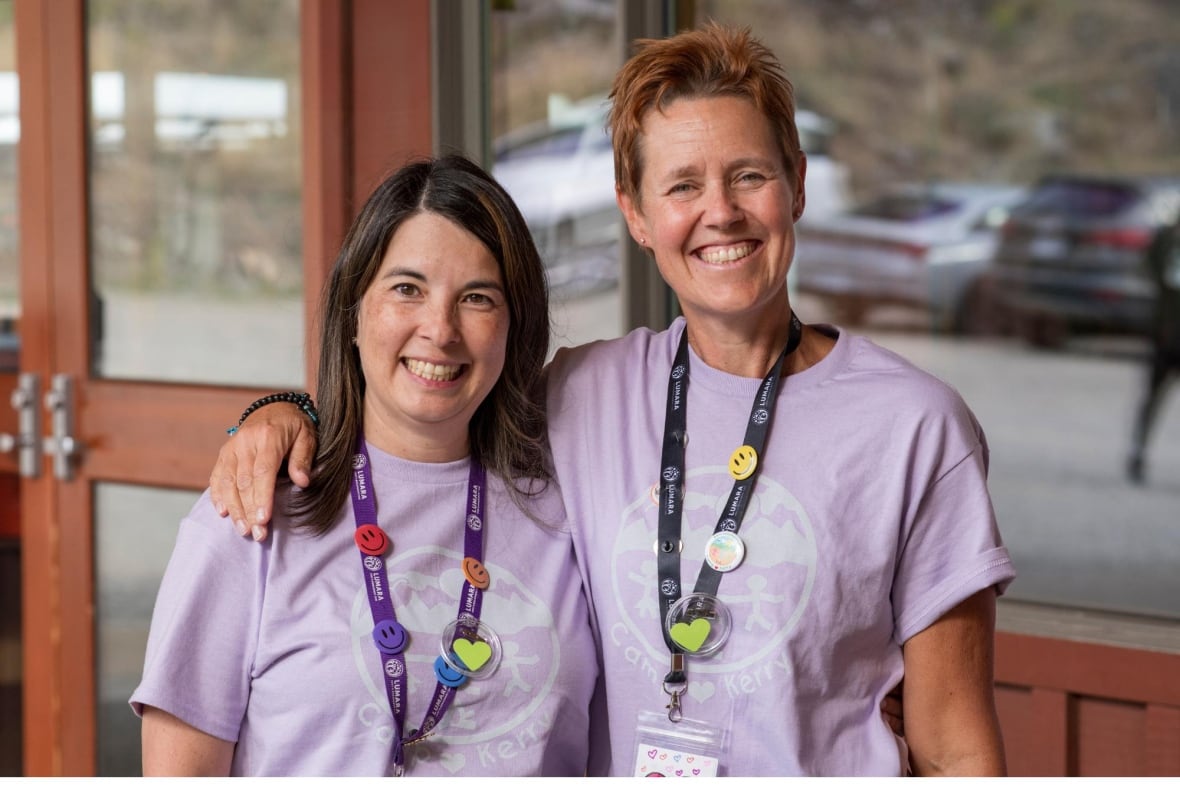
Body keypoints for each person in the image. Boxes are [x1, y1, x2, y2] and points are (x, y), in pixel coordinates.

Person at [208, 24, 1014, 776]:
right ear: (635, 213)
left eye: (749, 176)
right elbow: (422, 391)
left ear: (795, 185)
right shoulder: (580, 395)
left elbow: (955, 747)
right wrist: (285, 414)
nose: (720, 212)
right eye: (682, 186)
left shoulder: (914, 428)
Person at [131, 155, 598, 776]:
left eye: (478, 298)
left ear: (515, 326)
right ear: (354, 311)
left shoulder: (575, 509)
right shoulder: (253, 515)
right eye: (407, 289)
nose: (440, 329)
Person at [1127, 214, 1180, 484]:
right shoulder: (1167, 239)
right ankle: (1138, 451)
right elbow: (1146, 271)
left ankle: (1138, 451)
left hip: (1166, 330)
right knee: (1153, 397)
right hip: (1167, 334)